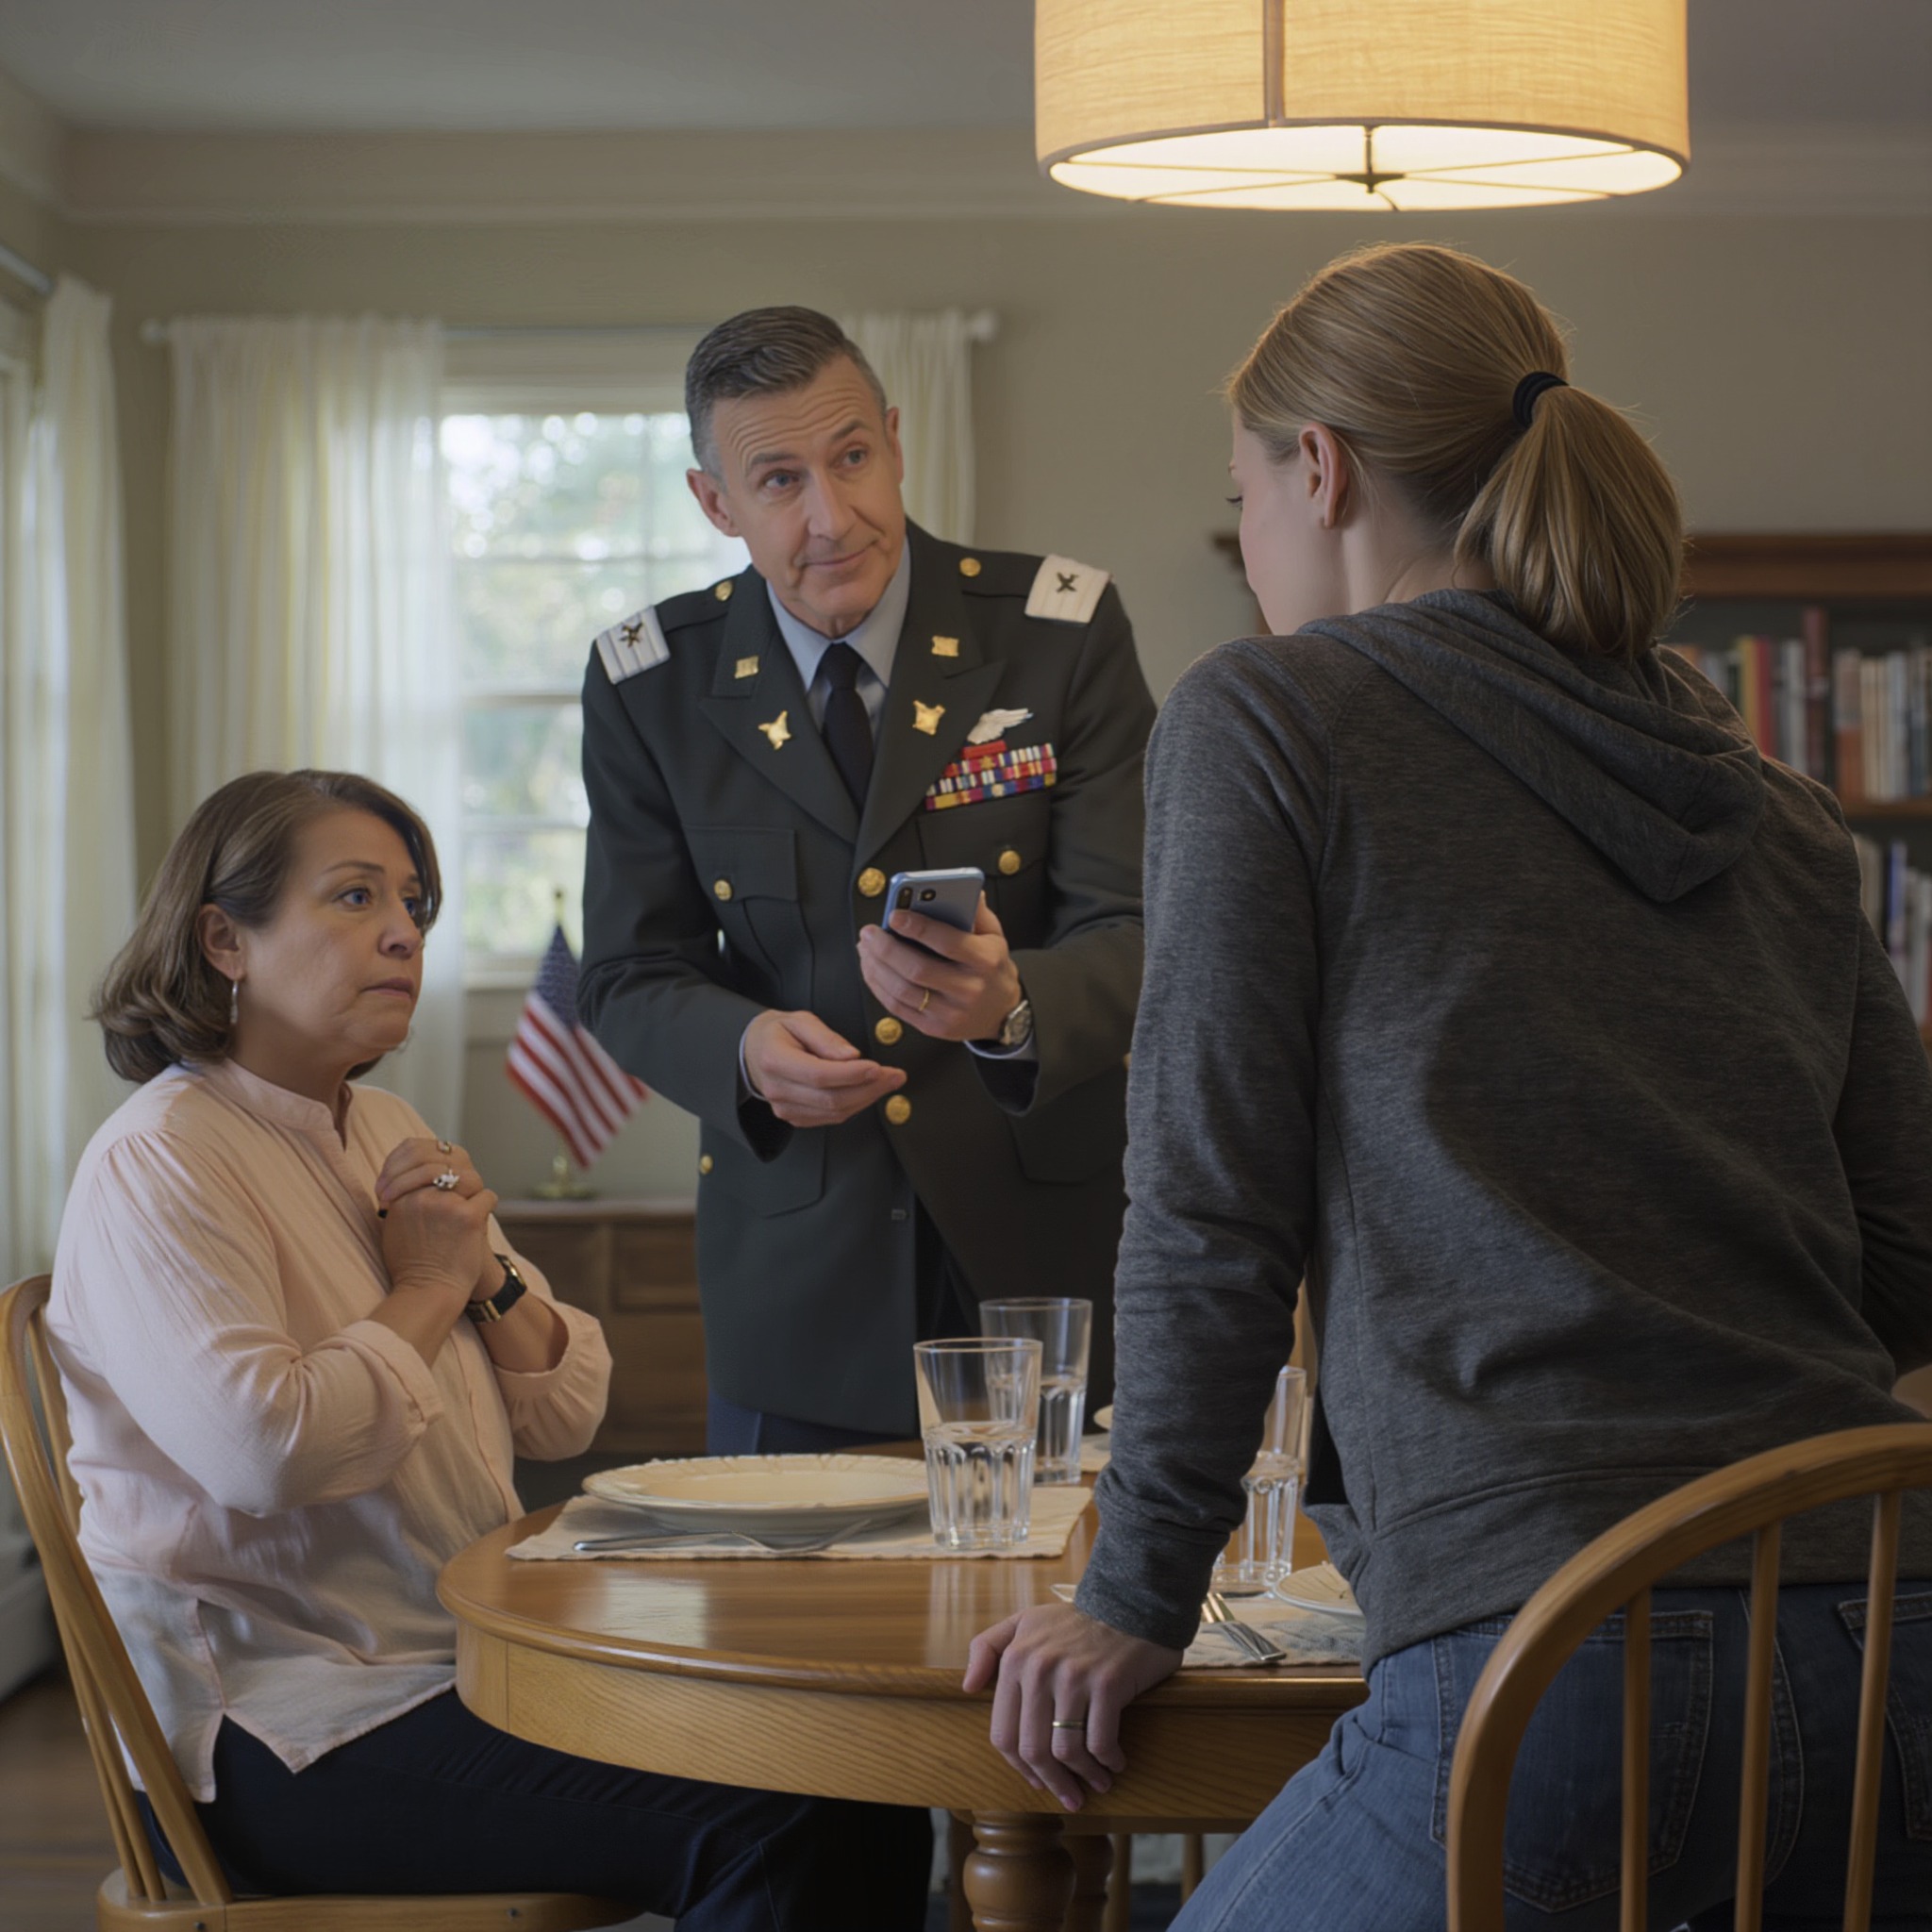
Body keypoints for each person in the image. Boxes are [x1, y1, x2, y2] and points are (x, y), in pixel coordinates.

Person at [965, 243, 1932, 1929]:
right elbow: (1908, 1261)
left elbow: (1208, 1209)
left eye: (1242, 497)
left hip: (1554, 1650)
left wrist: (1132, 1595)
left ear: (1318, 468)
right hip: (1885, 1630)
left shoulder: (1272, 717)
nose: (1252, 538)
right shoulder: (1775, 802)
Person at [50, 768, 931, 1928]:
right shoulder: (159, 1157)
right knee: (791, 1814)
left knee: (861, 1771)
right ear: (224, 939)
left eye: (413, 903)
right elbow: (269, 1452)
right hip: (277, 1724)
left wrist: (481, 1275)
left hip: (462, 1661)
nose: (403, 932)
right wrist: (429, 1281)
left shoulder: (387, 1125)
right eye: (355, 896)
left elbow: (566, 1408)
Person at [578, 306, 1156, 1449]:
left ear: (894, 441)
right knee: (791, 1574)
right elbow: (627, 972)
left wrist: (1014, 1005)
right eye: (778, 480)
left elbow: (1142, 924)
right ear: (715, 503)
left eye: (851, 457)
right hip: (798, 1279)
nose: (831, 517)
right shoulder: (652, 682)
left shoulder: (1056, 631)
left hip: (1043, 1264)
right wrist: (744, 1049)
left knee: (1065, 1571)